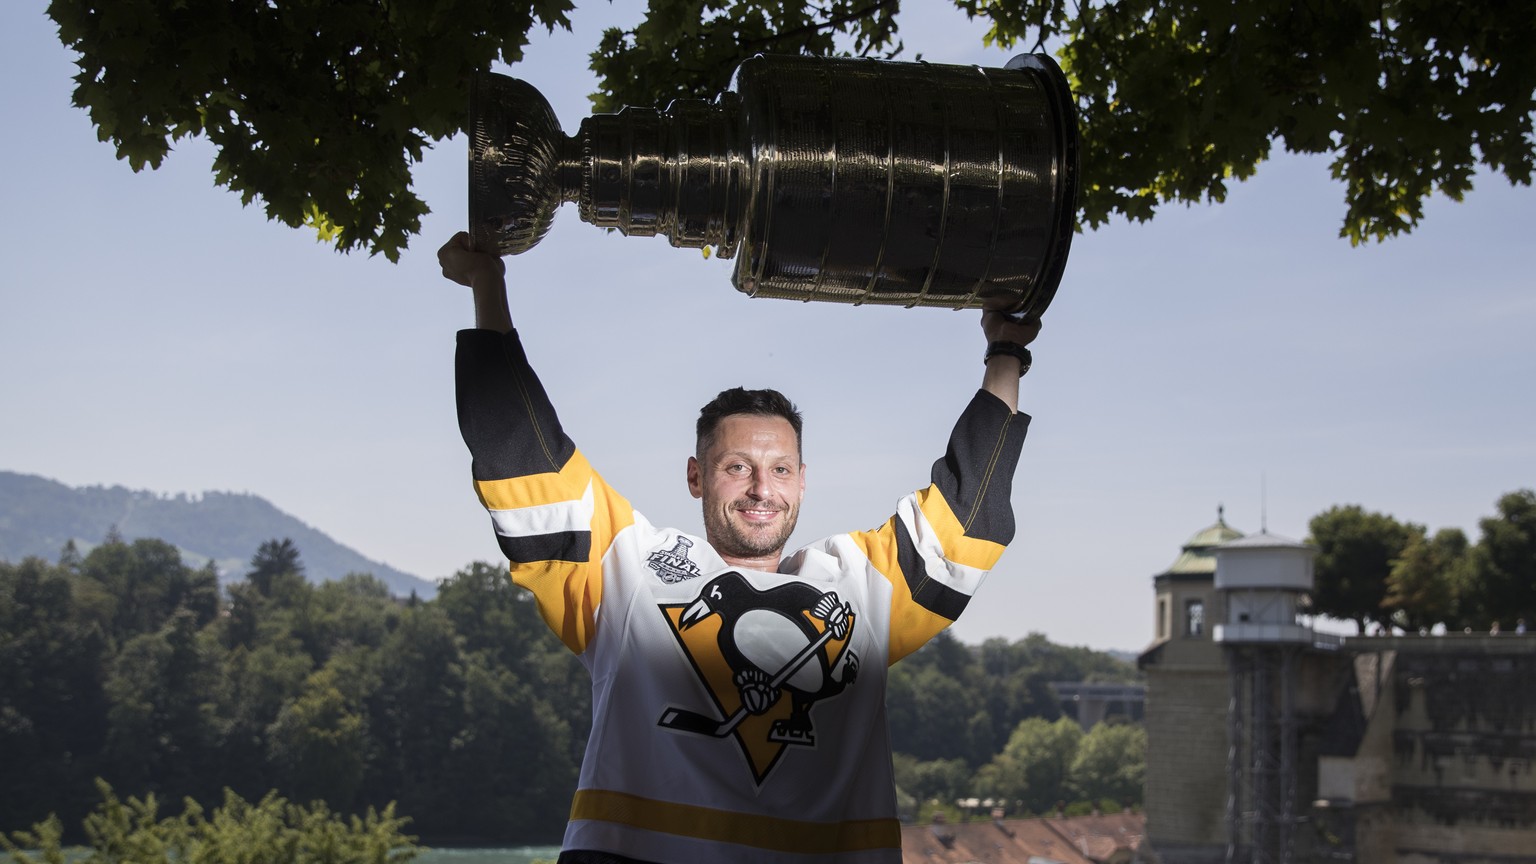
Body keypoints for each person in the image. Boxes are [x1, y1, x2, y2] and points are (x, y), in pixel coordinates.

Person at [438, 232, 1041, 864]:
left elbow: (969, 513)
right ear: (696, 476)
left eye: (781, 470)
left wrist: (1005, 352)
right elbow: (518, 452)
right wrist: (488, 286)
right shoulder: (627, 568)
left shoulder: (861, 588)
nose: (761, 489)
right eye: (737, 468)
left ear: (803, 482)